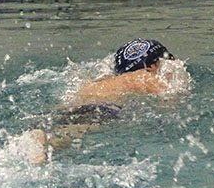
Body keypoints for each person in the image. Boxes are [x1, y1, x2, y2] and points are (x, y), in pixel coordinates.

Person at [26, 38, 182, 163]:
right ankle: (46, 143)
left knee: (63, 129)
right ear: (152, 65)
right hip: (101, 109)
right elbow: (168, 100)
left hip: (67, 107)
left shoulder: (102, 81)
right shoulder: (144, 77)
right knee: (68, 137)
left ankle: (37, 138)